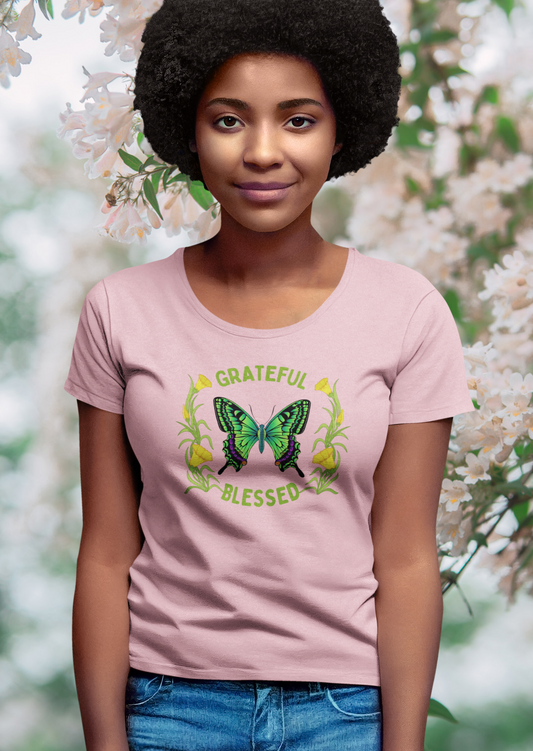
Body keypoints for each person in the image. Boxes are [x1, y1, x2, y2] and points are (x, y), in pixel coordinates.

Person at [65, 0, 476, 749]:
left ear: (341, 129)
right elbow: (104, 550)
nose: (261, 152)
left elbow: (409, 555)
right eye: (227, 120)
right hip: (168, 708)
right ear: (187, 129)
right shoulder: (118, 311)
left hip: (345, 713)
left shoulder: (408, 311)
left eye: (297, 119)